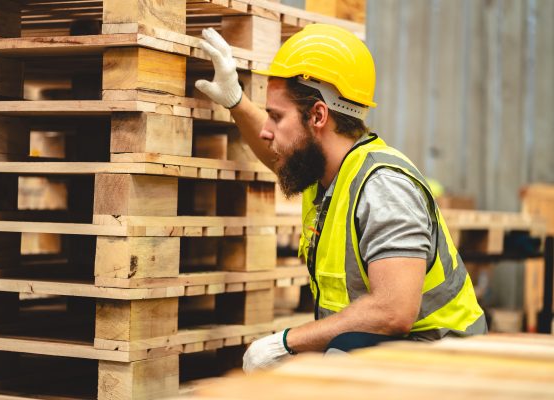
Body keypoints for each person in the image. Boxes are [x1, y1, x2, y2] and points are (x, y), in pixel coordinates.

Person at [195, 24, 487, 373]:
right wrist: (235, 100)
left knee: (338, 356)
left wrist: (285, 341)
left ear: (318, 115)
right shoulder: (323, 171)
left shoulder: (382, 188)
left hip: (448, 366)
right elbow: (278, 150)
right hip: (405, 354)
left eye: (276, 116)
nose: (266, 130)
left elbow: (393, 312)